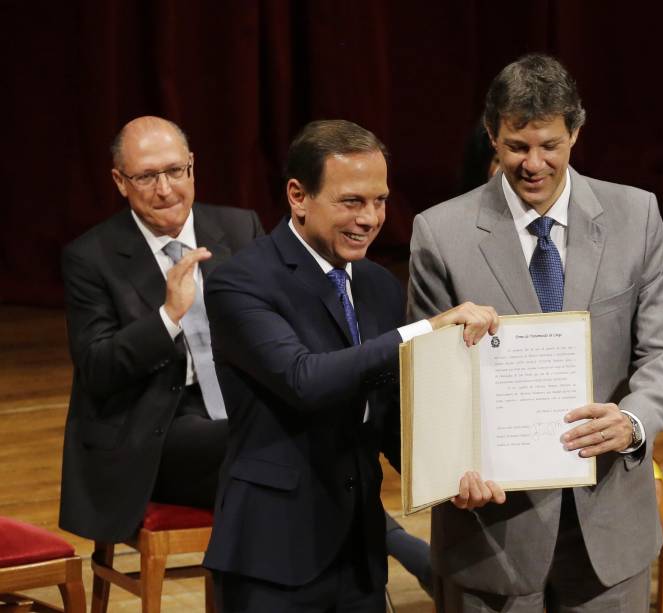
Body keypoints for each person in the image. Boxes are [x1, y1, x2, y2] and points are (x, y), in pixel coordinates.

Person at [408, 54, 663, 612]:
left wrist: (631, 421)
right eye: (517, 146)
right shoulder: (439, 234)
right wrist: (451, 469)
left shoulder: (637, 216)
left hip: (610, 524)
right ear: (492, 135)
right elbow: (432, 386)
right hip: (493, 532)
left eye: (550, 145)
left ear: (576, 134)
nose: (533, 163)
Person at [202, 119, 503, 612]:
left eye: (380, 200)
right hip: (273, 554)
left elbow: (385, 416)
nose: (371, 218)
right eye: (352, 202)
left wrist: (454, 476)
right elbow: (305, 380)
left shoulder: (377, 286)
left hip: (358, 551)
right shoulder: (240, 282)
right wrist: (426, 329)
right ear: (298, 196)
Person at [58, 116, 264, 543]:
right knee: (272, 451)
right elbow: (97, 367)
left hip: (238, 411)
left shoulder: (240, 229)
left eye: (173, 171)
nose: (165, 189)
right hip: (154, 431)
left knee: (298, 450)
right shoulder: (91, 257)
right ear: (120, 181)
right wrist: (168, 317)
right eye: (147, 176)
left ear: (191, 165)